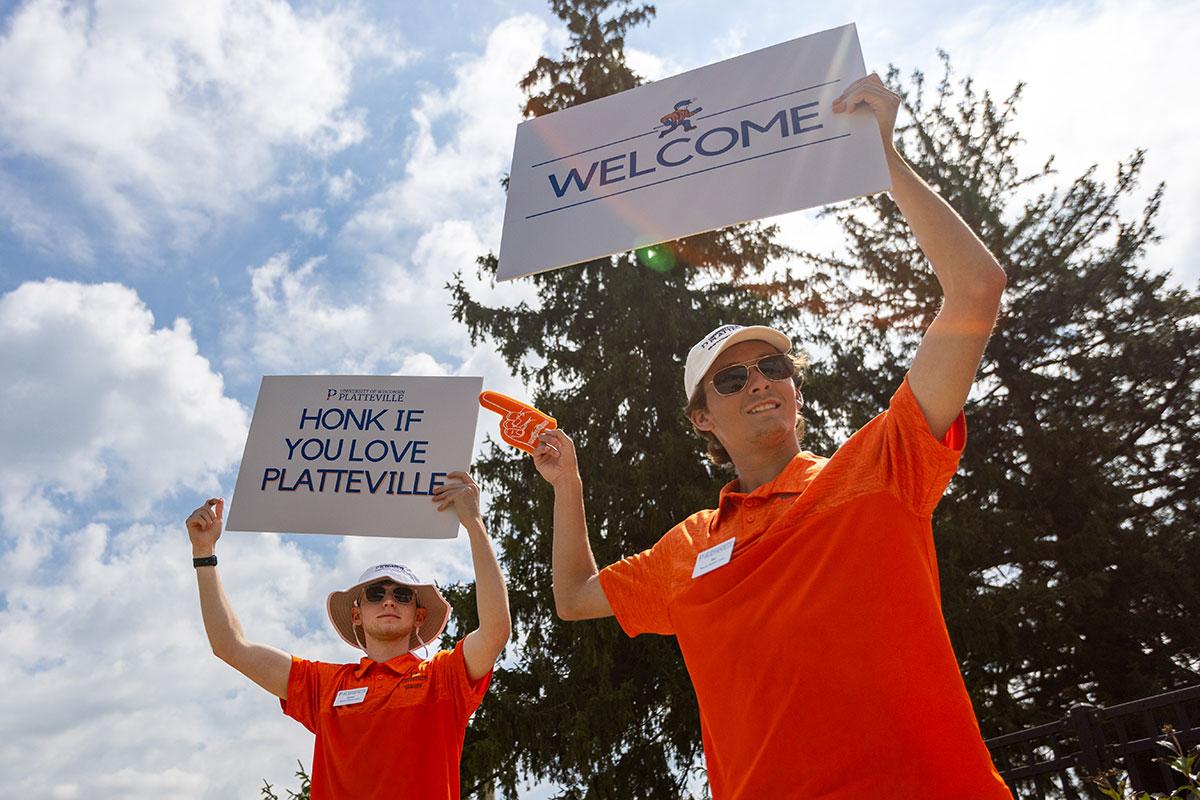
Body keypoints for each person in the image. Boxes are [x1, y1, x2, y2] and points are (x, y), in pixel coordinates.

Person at [532, 73, 1013, 799]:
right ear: (702, 418)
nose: (758, 382)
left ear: (793, 383)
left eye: (771, 366)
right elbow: (572, 595)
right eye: (730, 380)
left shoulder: (882, 464)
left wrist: (886, 161)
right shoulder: (688, 547)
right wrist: (567, 483)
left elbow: (976, 288)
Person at [186, 471, 509, 800]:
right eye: (375, 594)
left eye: (401, 596)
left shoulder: (443, 676)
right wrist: (204, 552)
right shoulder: (323, 686)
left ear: (418, 616)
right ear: (357, 613)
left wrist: (474, 523)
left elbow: (496, 631)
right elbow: (230, 646)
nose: (387, 600)